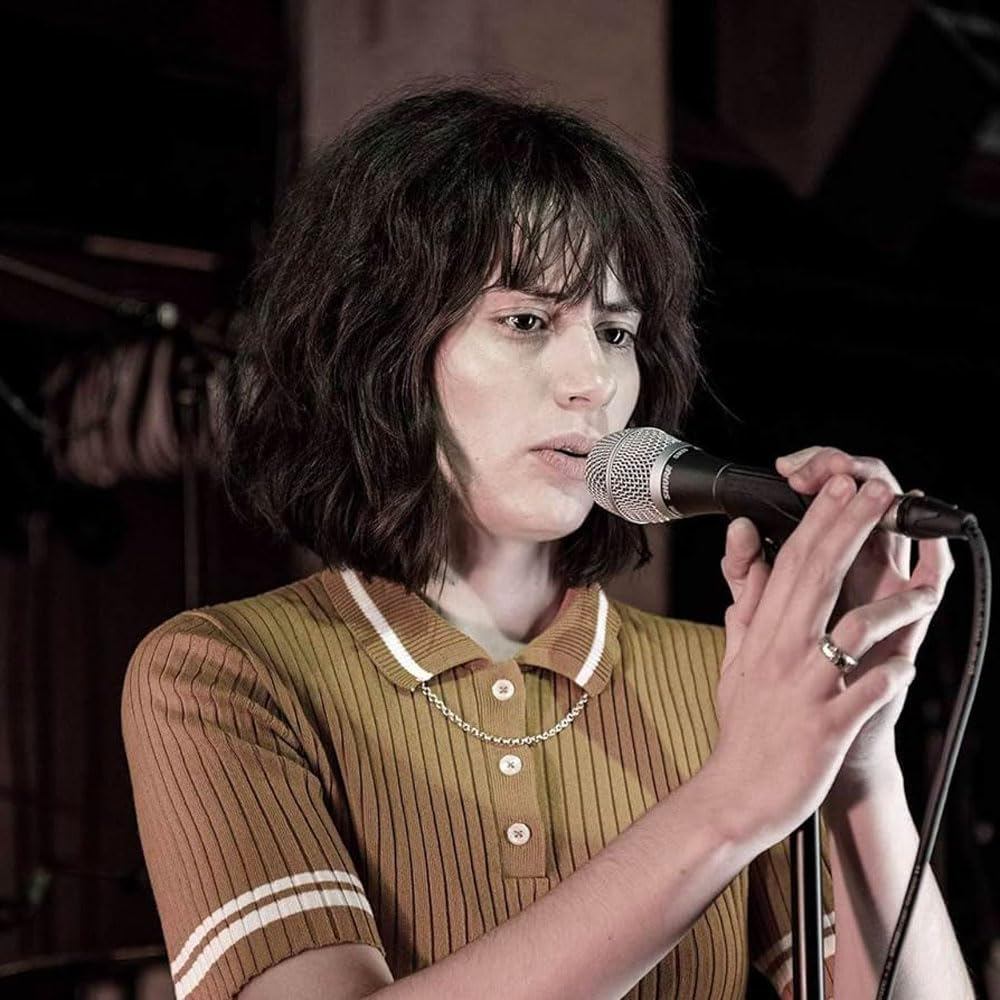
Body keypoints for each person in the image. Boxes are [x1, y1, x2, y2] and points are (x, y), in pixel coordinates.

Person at [120, 84, 974, 1000]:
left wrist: (858, 757)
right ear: (379, 349)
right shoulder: (222, 671)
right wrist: (730, 802)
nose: (592, 380)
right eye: (527, 321)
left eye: (616, 331)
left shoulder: (729, 679)